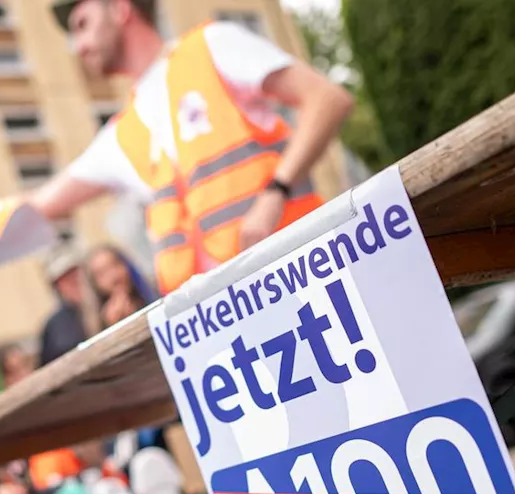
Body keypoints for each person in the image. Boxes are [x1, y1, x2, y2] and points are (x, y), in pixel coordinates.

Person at [36, 0, 354, 296]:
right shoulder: (121, 132)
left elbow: (327, 100)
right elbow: (35, 206)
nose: (79, 47)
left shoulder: (211, 47)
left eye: (82, 24)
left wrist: (276, 190)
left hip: (309, 275)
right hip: (228, 319)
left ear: (120, 9)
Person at [85, 245, 258, 494]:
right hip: (153, 435)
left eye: (112, 263)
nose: (110, 274)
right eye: (100, 271)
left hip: (182, 418)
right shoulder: (100, 322)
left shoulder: (155, 297)